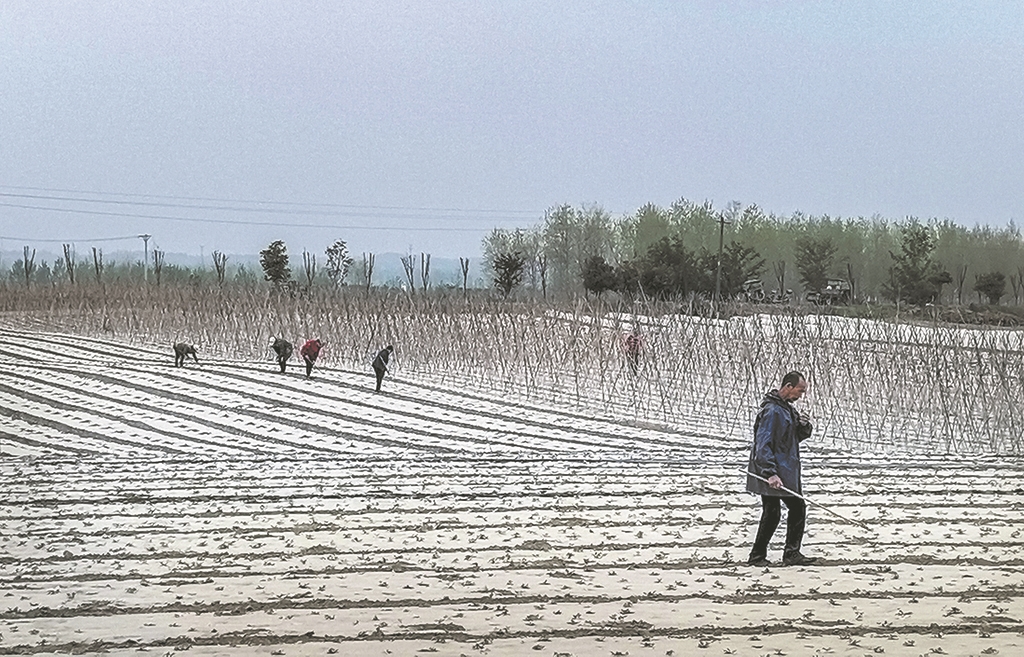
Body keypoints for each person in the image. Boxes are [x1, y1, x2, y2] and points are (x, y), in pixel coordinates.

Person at [745, 371, 818, 567]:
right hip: (774, 470)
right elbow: (763, 444)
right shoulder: (772, 411)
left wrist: (804, 425)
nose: (801, 395)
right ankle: (783, 554)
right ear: (788, 386)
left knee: (776, 511)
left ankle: (762, 555)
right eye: (800, 391)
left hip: (784, 469)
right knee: (791, 509)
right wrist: (770, 473)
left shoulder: (786, 409)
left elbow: (793, 438)